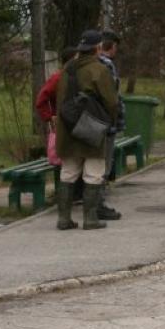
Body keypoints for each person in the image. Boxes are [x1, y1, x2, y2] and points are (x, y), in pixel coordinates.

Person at [55, 29, 119, 230]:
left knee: (68, 172)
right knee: (94, 172)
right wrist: (110, 122)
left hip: (68, 126)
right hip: (91, 127)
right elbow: (111, 101)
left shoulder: (67, 69)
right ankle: (90, 219)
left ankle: (64, 219)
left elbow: (60, 98)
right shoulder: (99, 70)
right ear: (98, 47)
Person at [35, 47, 80, 200]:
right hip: (64, 126)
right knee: (67, 162)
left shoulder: (77, 77)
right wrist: (50, 117)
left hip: (75, 125)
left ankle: (74, 195)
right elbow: (41, 99)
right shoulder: (58, 78)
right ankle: (67, 197)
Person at [97, 29, 124, 220]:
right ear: (111, 46)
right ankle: (98, 205)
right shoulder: (107, 65)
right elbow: (112, 96)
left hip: (88, 123)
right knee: (102, 165)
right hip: (106, 122)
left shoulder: (82, 64)